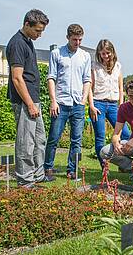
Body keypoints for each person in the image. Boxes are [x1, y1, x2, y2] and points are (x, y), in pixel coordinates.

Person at [6, 9, 51, 188]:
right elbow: (17, 78)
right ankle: (25, 180)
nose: (39, 35)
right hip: (25, 101)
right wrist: (30, 103)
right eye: (37, 31)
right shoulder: (17, 43)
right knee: (26, 141)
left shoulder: (28, 42)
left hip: (33, 100)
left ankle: (38, 175)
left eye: (41, 31)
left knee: (39, 139)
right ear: (27, 24)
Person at [44, 24, 91, 179]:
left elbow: (87, 80)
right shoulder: (57, 54)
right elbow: (51, 77)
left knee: (76, 141)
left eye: (80, 39)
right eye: (74, 39)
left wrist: (84, 99)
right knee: (53, 138)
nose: (77, 42)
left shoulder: (85, 56)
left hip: (78, 103)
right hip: (61, 103)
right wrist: (53, 101)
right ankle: (48, 168)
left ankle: (72, 170)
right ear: (67, 38)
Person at [88, 39, 130, 168]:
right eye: (102, 53)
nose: (106, 56)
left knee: (126, 134)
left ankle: (124, 163)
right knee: (100, 137)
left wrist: (121, 105)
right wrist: (91, 106)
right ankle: (104, 168)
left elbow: (120, 88)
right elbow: (90, 86)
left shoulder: (117, 66)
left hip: (113, 105)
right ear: (99, 54)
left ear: (112, 52)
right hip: (98, 104)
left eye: (108, 53)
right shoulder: (94, 66)